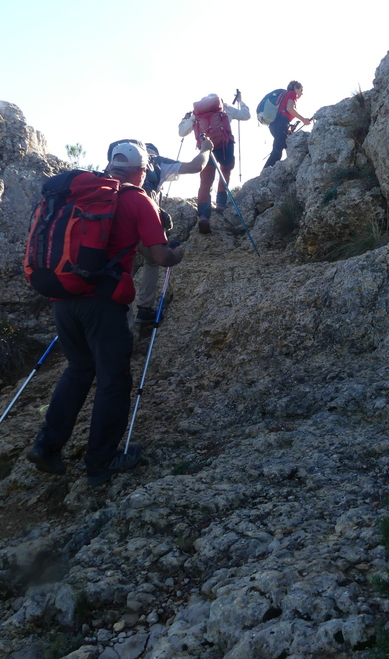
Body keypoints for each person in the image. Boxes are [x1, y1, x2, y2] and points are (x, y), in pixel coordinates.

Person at [26, 140, 206, 487]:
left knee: (78, 369)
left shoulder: (81, 195)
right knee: (113, 380)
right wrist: (177, 253)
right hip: (103, 305)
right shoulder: (138, 198)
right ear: (142, 171)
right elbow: (159, 256)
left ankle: (46, 446)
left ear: (111, 167)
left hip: (62, 297)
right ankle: (102, 462)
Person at [134, 140, 213, 324]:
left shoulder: (118, 164)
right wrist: (206, 149)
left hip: (114, 220)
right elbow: (196, 166)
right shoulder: (157, 163)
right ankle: (144, 310)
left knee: (121, 260)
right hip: (140, 219)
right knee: (153, 260)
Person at [178, 93, 251, 234]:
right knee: (226, 171)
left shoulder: (196, 114)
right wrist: (241, 102)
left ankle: (204, 216)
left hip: (206, 148)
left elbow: (181, 132)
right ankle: (221, 203)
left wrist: (184, 119)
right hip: (225, 146)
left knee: (206, 181)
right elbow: (246, 115)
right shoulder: (225, 107)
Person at [264, 81, 311, 169]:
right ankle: (263, 176)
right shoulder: (292, 94)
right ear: (296, 87)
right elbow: (290, 109)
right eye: (301, 90)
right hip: (281, 123)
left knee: (284, 146)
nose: (302, 93)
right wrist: (303, 119)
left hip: (275, 125)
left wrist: (286, 131)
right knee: (277, 152)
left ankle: (288, 168)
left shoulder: (285, 95)